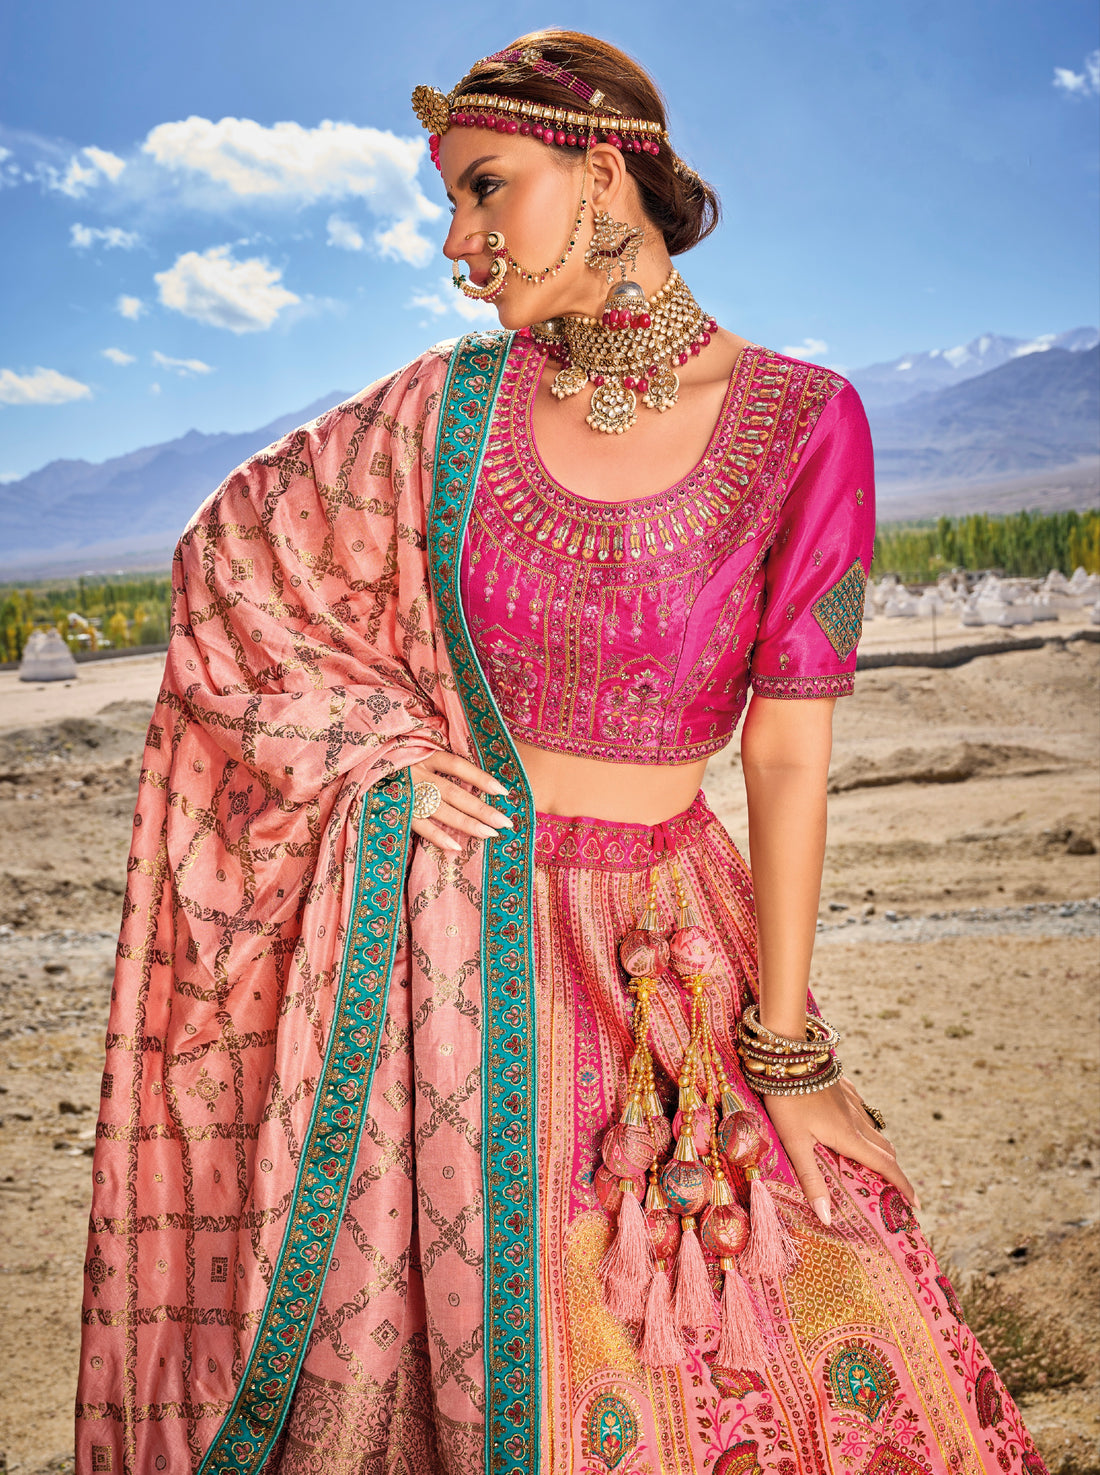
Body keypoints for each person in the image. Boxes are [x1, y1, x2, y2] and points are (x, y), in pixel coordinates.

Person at [76, 30, 1048, 1475]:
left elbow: (788, 747)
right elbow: (230, 565)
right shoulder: (443, 409)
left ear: (602, 177)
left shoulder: (801, 422)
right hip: (444, 958)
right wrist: (376, 751)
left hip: (669, 957)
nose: (462, 247)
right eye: (450, 211)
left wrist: (785, 1047)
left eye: (487, 191)